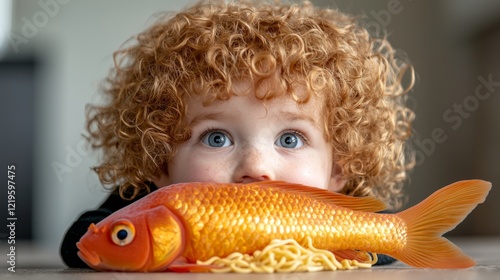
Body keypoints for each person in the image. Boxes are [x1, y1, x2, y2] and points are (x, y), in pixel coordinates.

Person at [61, 0, 415, 268]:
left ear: (339, 168)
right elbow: (81, 240)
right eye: (216, 138)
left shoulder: (337, 211)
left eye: (289, 139)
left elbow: (390, 237)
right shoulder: (150, 205)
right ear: (161, 164)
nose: (255, 167)